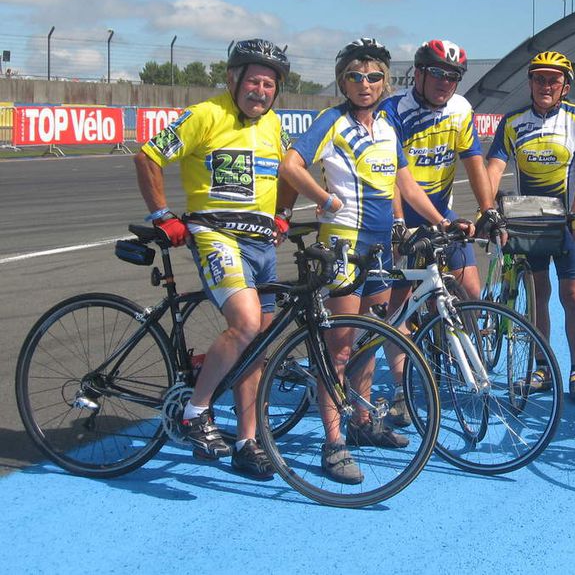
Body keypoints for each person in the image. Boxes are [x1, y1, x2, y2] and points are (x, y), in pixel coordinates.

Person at [279, 37, 458, 483]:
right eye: (355, 76)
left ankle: (362, 422)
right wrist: (323, 199)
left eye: (374, 76)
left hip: (379, 248)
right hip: (342, 245)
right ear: (343, 80)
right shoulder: (331, 121)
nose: (365, 83)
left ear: (385, 81)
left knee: (371, 340)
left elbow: (407, 185)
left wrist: (442, 221)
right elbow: (290, 165)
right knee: (338, 347)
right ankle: (333, 442)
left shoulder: (386, 127)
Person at [134, 38, 296, 480]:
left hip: (261, 244)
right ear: (232, 79)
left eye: (269, 84)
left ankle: (247, 441)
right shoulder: (206, 115)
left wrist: (282, 215)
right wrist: (163, 214)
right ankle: (195, 411)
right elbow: (148, 155)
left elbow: (291, 172)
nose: (261, 91)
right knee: (245, 324)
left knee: (256, 346)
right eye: (253, 81)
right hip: (216, 235)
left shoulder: (275, 127)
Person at [486, 51, 575, 404]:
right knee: (538, 296)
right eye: (539, 79)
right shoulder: (513, 121)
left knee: (573, 297)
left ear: (565, 86)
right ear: (530, 84)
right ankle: (541, 367)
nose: (545, 85)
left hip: (568, 222)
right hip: (529, 221)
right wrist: (486, 208)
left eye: (553, 80)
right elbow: (493, 168)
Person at [379, 39, 503, 303]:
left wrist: (488, 209)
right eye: (437, 72)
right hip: (399, 217)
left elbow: (474, 164)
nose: (444, 82)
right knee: (395, 309)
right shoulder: (393, 110)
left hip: (440, 214)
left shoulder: (460, 109)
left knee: (471, 293)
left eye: (452, 76)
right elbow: (389, 176)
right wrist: (398, 222)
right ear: (419, 73)